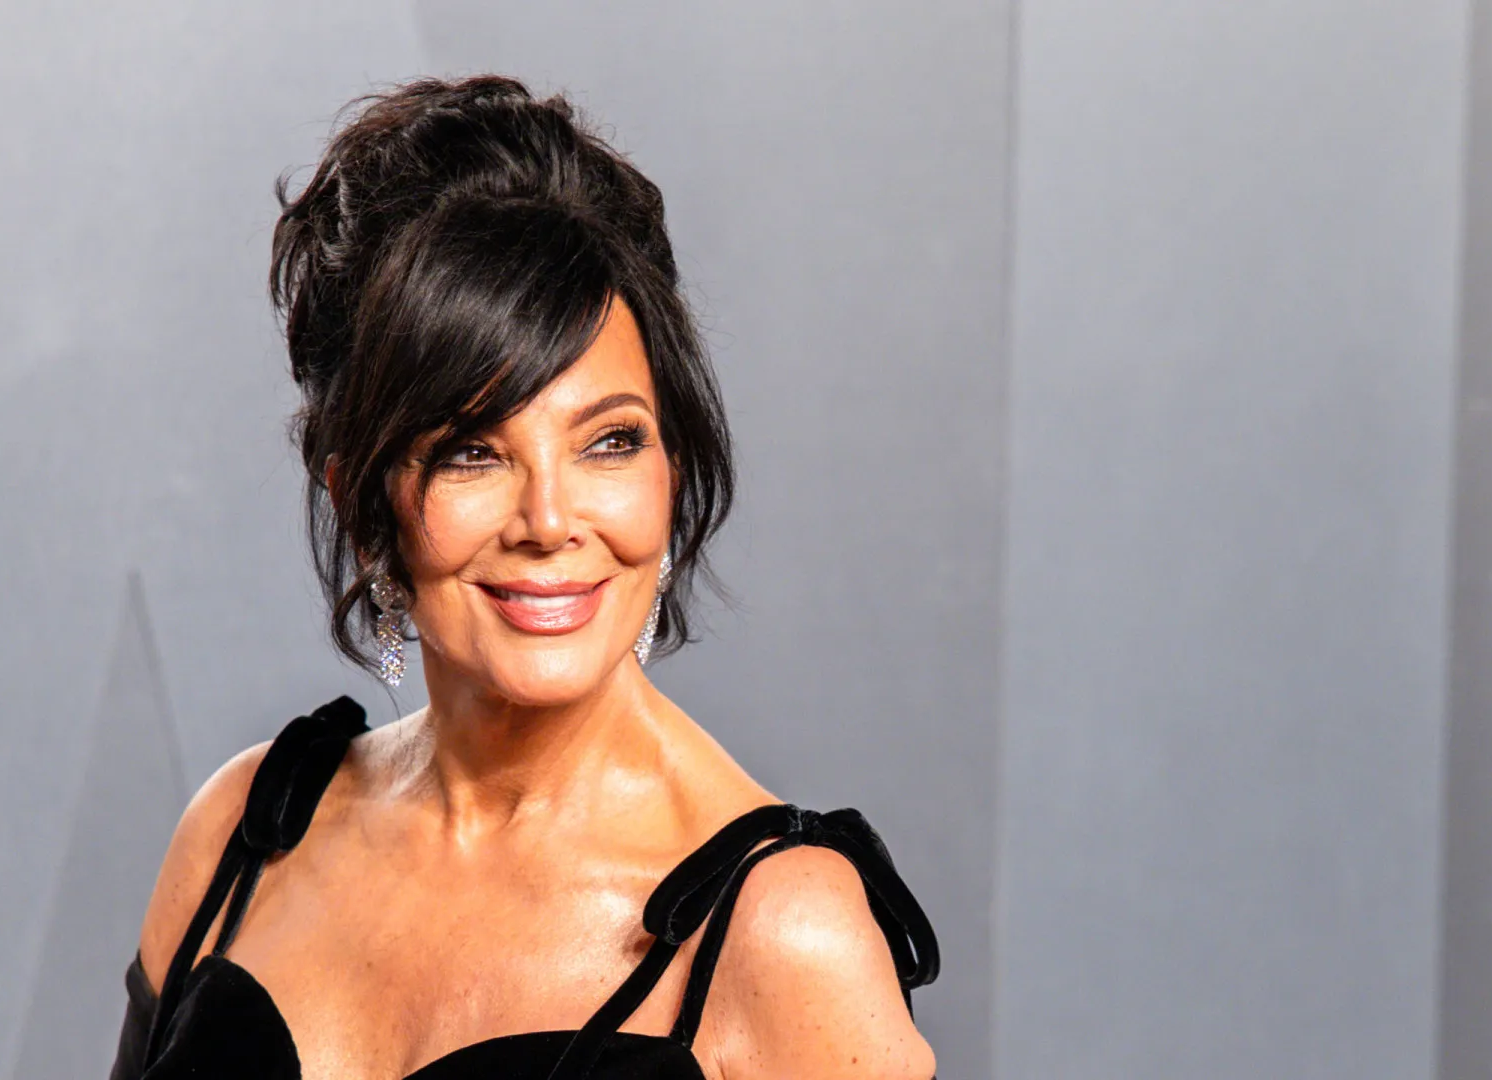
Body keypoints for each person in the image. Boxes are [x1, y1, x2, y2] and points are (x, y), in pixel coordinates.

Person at [109, 74, 939, 1080]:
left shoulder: (783, 933)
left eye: (610, 442)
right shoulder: (241, 839)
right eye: (471, 452)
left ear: (673, 470)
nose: (549, 521)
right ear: (359, 501)